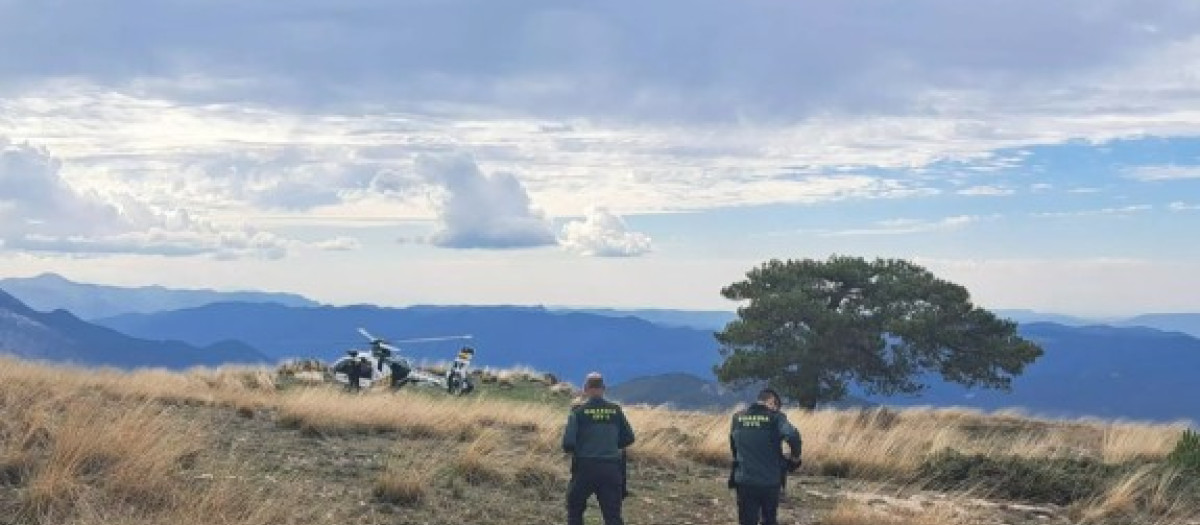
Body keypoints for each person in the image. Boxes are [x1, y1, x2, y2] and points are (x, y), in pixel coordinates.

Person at [562, 372, 635, 525]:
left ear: (585, 389)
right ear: (603, 388)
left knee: (574, 510)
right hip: (611, 469)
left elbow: (568, 444)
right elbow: (629, 438)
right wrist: (610, 446)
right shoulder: (616, 411)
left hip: (585, 469)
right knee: (613, 516)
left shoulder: (578, 413)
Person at [728, 388, 802, 525]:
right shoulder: (776, 418)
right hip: (770, 481)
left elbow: (734, 447)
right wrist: (795, 458)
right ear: (771, 401)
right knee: (769, 520)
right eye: (776, 406)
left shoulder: (737, 417)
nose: (775, 409)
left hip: (744, 480)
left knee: (746, 521)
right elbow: (792, 435)